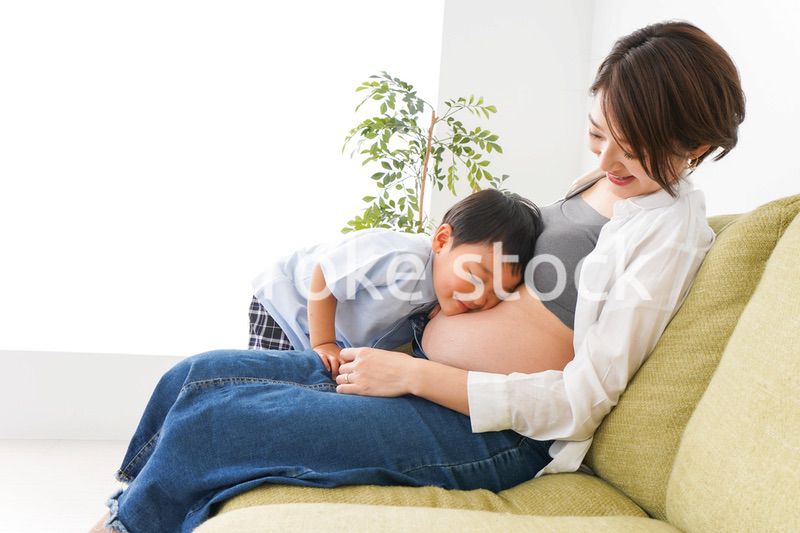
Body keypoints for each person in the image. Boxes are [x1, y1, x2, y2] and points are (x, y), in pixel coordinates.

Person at [91, 20, 745, 533]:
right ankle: (130, 506)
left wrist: (412, 373)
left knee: (219, 424)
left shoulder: (669, 236)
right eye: (598, 132)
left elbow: (580, 400)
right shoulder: (605, 175)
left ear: (692, 143)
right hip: (419, 371)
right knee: (195, 377)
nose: (606, 157)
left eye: (629, 148)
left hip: (490, 430)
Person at [247, 188, 543, 379]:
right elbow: (324, 273)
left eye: (498, 293)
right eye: (476, 276)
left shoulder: (443, 295)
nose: (480, 298)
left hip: (327, 337)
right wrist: (324, 343)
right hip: (286, 306)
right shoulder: (400, 257)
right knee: (265, 382)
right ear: (441, 241)